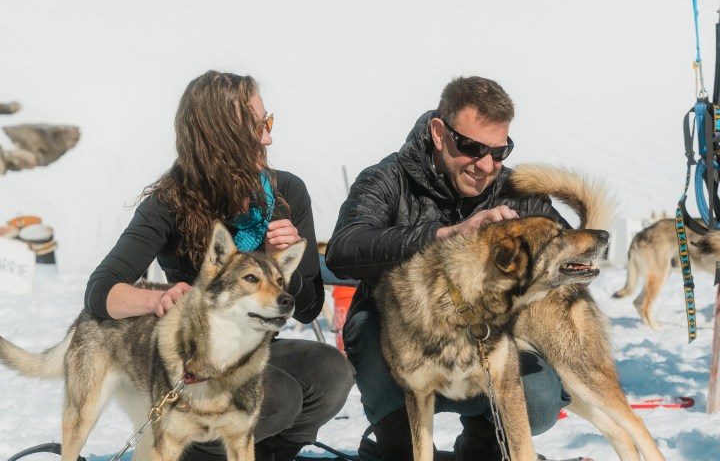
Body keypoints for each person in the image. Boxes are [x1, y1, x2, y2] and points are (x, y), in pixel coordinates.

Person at [84, 70, 355, 461]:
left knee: (331, 372)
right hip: (194, 366)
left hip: (256, 353)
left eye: (269, 121)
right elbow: (100, 290)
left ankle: (268, 453)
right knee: (277, 394)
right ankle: (193, 450)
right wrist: (156, 300)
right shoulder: (170, 204)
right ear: (221, 140)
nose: (269, 137)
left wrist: (289, 267)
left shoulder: (288, 194)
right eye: (259, 126)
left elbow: (310, 306)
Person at [325, 76, 571, 461]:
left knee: (539, 399)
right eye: (472, 147)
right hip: (399, 337)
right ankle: (391, 439)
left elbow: (566, 252)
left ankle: (483, 443)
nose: (485, 164)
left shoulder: (513, 190)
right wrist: (446, 236)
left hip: (484, 339)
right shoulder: (387, 179)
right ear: (439, 133)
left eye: (499, 150)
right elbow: (343, 248)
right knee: (399, 449)